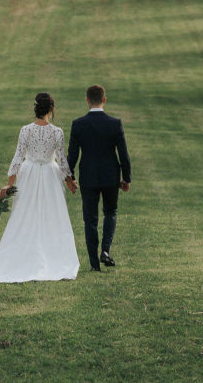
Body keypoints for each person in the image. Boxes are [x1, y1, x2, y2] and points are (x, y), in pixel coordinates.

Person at [0, 93, 79, 283]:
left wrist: (9, 184)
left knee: (25, 214)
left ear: (35, 109)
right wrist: (69, 180)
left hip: (27, 175)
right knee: (51, 215)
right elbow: (62, 161)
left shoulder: (25, 130)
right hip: (49, 175)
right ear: (51, 109)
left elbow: (17, 158)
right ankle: (52, 255)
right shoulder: (57, 132)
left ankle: (24, 253)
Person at [67, 84, 132, 272]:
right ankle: (105, 250)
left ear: (87, 100)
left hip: (87, 176)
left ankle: (94, 264)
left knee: (90, 220)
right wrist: (126, 178)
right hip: (111, 175)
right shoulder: (115, 123)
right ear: (104, 99)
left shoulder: (78, 124)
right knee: (110, 212)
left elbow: (72, 155)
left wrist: (70, 176)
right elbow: (123, 154)